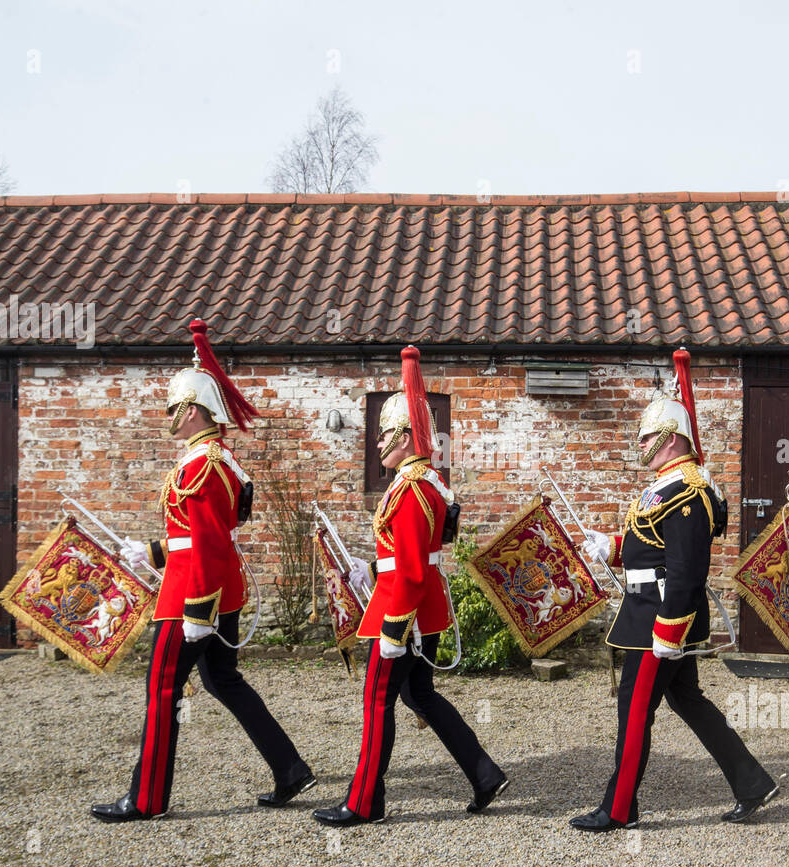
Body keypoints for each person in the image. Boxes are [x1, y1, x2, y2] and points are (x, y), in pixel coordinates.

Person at [91, 319, 315, 822]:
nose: (169, 416)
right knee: (224, 681)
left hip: (192, 598)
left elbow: (210, 543)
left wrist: (196, 610)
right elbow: (197, 537)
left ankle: (147, 798)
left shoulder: (201, 465)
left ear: (191, 411)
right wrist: (151, 550)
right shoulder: (218, 461)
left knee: (162, 690)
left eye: (174, 408)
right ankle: (289, 768)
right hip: (212, 589)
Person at [572, 349, 779, 832]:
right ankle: (751, 782)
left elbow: (685, 569)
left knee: (634, 708)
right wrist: (615, 547)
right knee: (688, 700)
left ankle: (619, 807)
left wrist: (669, 628)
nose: (640, 441)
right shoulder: (666, 487)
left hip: (662, 617)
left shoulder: (687, 492)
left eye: (647, 434)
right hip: (651, 608)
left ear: (669, 439)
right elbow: (653, 548)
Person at [313, 346, 508, 827]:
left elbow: (415, 569)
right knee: (420, 695)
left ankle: (363, 802)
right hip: (419, 609)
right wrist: (370, 569)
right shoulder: (426, 484)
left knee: (377, 701)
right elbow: (405, 557)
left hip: (405, 616)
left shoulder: (413, 488)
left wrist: (394, 630)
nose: (377, 444)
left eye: (384, 435)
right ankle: (484, 774)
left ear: (403, 437)